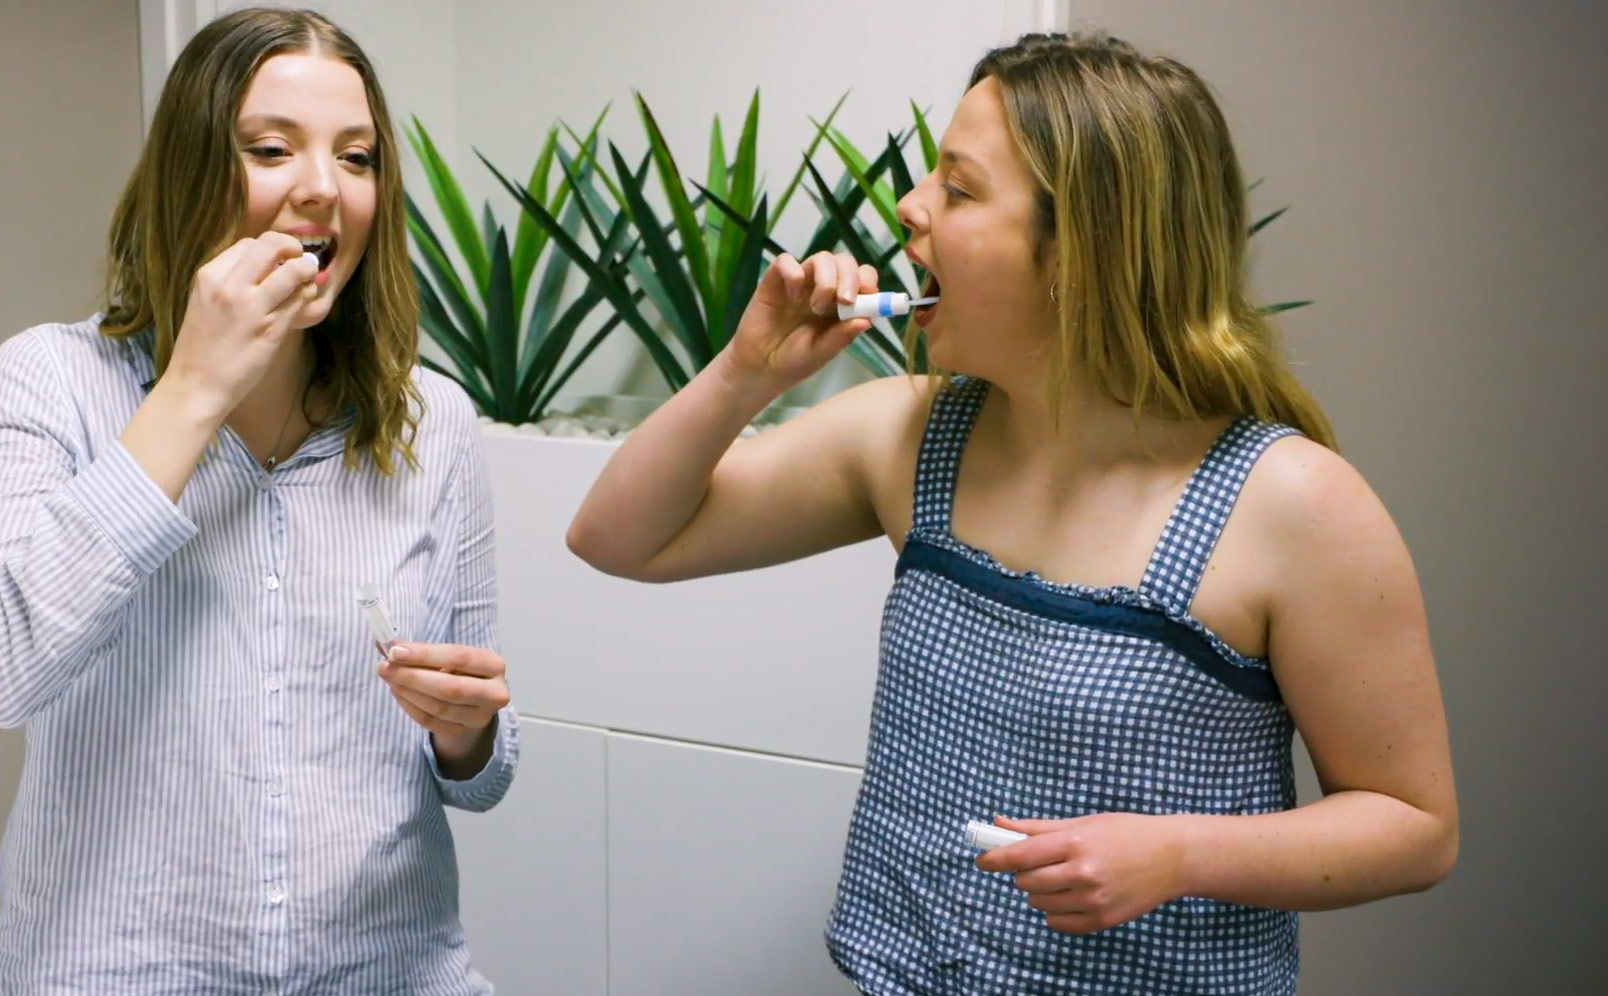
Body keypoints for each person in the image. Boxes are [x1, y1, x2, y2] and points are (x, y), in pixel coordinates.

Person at [566, 32, 1456, 994]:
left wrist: (1182, 855)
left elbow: (1414, 824)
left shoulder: (1293, 506)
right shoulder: (911, 439)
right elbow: (618, 537)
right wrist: (746, 371)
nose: (908, 207)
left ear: (1079, 254)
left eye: (958, 188)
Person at [0, 8, 516, 993]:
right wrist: (193, 392)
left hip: (392, 972)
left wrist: (466, 731)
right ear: (193, 172)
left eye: (358, 157)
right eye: (270, 150)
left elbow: (486, 776)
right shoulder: (48, 382)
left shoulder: (435, 424)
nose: (323, 190)